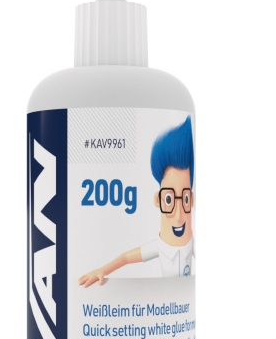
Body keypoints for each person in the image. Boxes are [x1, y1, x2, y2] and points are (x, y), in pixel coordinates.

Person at [79, 116, 195, 287]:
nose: (178, 216)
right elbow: (127, 258)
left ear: (191, 200)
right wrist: (103, 269)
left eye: (184, 199)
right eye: (169, 199)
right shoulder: (160, 246)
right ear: (158, 200)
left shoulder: (192, 244)